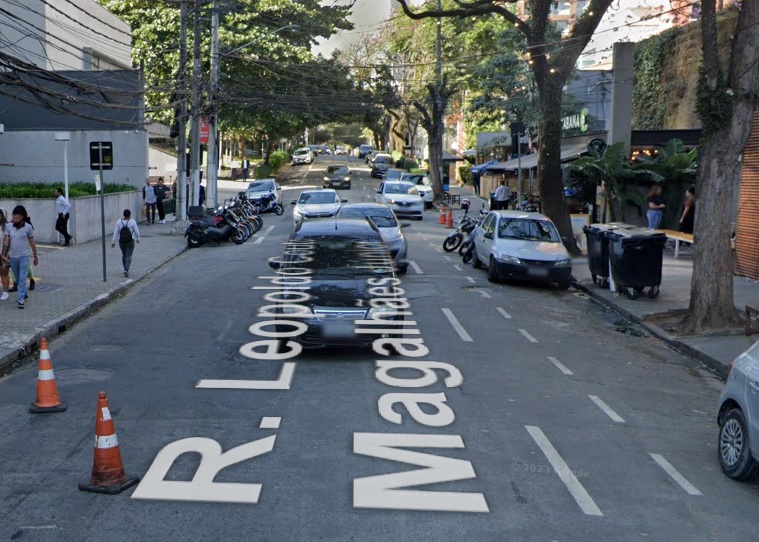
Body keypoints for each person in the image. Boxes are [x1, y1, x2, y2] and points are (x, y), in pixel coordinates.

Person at [2, 206, 38, 309]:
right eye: (14, 216)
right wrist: (4, 254)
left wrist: (35, 256)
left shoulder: (28, 227)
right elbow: (6, 241)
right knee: (17, 278)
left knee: (22, 278)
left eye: (17, 217)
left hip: (24, 256)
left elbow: (32, 242)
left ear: (22, 217)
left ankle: (21, 299)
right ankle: (24, 293)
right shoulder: (9, 227)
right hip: (13, 257)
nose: (15, 219)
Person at [111, 209, 140, 278]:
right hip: (130, 241)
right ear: (129, 214)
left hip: (122, 241)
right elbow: (136, 231)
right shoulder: (132, 221)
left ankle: (125, 268)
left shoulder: (119, 222)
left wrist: (113, 241)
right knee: (129, 255)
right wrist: (138, 239)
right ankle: (126, 269)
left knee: (124, 255)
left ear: (123, 214)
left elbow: (116, 232)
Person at [0, 209, 9, 301]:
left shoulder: (6, 227)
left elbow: (8, 241)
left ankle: (5, 292)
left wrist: (5, 254)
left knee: (4, 273)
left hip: (4, 254)